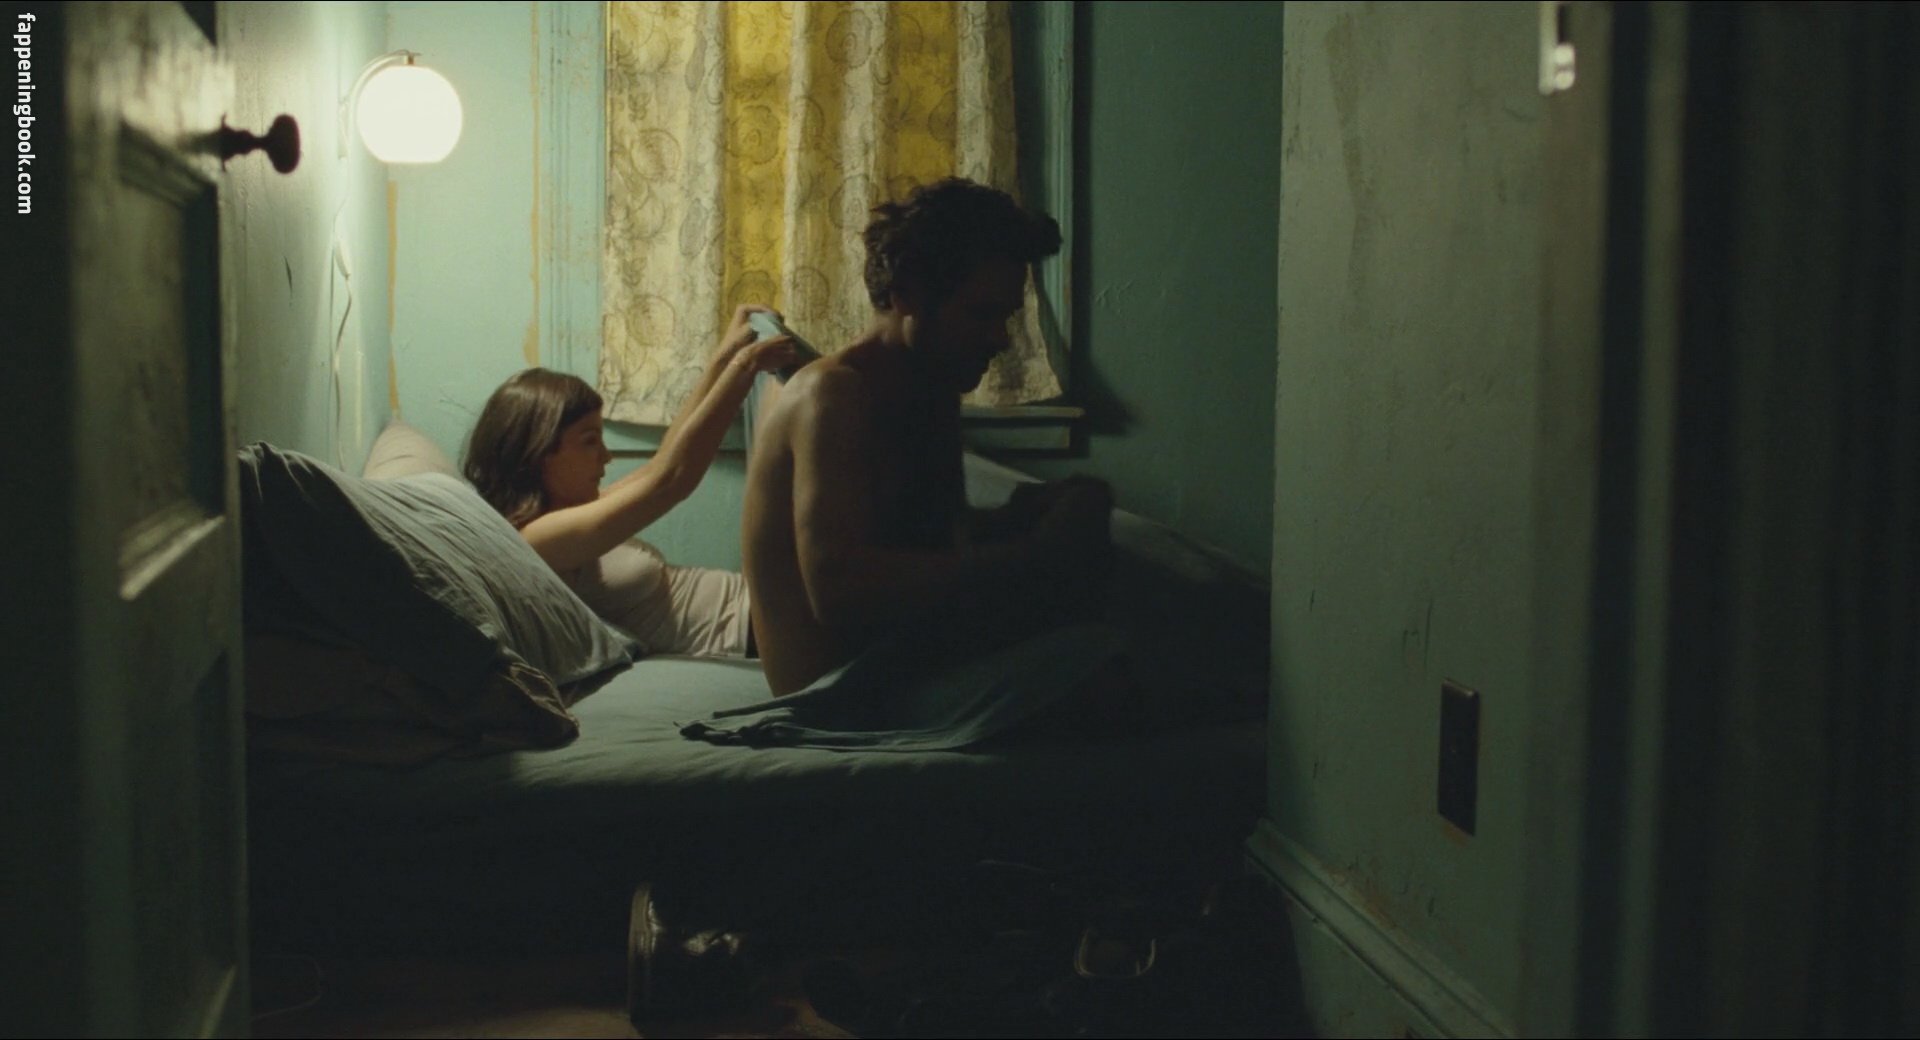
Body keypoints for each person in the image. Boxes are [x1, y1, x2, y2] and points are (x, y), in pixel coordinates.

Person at [741, 178, 1117, 695]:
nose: (1001, 339)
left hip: (914, 662)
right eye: (982, 314)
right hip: (839, 697)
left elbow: (921, 543)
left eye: (1006, 316)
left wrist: (1026, 515)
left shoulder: (931, 387)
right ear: (907, 295)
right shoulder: (832, 396)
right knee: (1111, 663)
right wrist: (1033, 556)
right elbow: (840, 591)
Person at [465, 305, 801, 657]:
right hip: (750, 631)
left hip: (757, 603)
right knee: (803, 403)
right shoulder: (540, 540)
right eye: (590, 441)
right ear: (539, 451)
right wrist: (744, 366)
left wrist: (725, 356)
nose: (606, 456)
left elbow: (663, 461)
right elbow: (672, 478)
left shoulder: (575, 510)